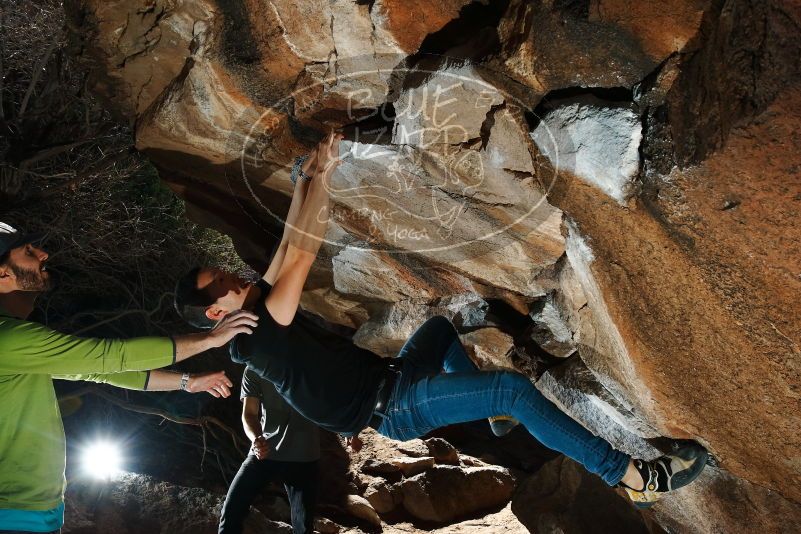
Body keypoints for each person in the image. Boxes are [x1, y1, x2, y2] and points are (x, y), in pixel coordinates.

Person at [174, 132, 707, 510]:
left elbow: (288, 242)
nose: (226, 275)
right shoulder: (261, 334)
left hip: (395, 376)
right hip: (396, 407)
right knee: (511, 389)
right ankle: (634, 478)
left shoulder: (253, 311)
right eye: (215, 284)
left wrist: (303, 182)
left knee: (439, 331)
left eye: (219, 270)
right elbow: (305, 253)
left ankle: (496, 419)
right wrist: (326, 176)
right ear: (216, 311)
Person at [0, 222, 258, 534]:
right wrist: (208, 340)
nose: (43, 253)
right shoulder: (7, 340)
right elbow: (110, 355)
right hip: (13, 514)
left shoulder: (14, 343)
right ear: (4, 274)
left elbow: (100, 370)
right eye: (28, 251)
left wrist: (186, 382)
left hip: (36, 509)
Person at [218, 368, 320, 534]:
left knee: (303, 526)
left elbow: (333, 403)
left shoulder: (311, 363)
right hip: (265, 449)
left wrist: (349, 430)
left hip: (304, 453)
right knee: (232, 510)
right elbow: (249, 414)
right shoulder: (253, 367)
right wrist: (257, 439)